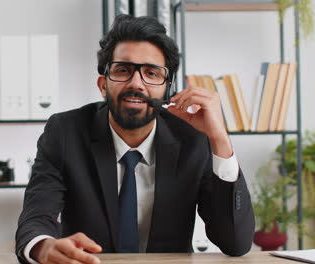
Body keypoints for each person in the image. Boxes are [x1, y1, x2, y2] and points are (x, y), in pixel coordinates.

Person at [16, 14, 255, 264]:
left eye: (151, 73)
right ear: (103, 85)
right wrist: (43, 247)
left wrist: (220, 140)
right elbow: (36, 216)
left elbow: (235, 242)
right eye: (123, 70)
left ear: (167, 89)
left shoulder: (194, 139)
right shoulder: (65, 131)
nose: (136, 83)